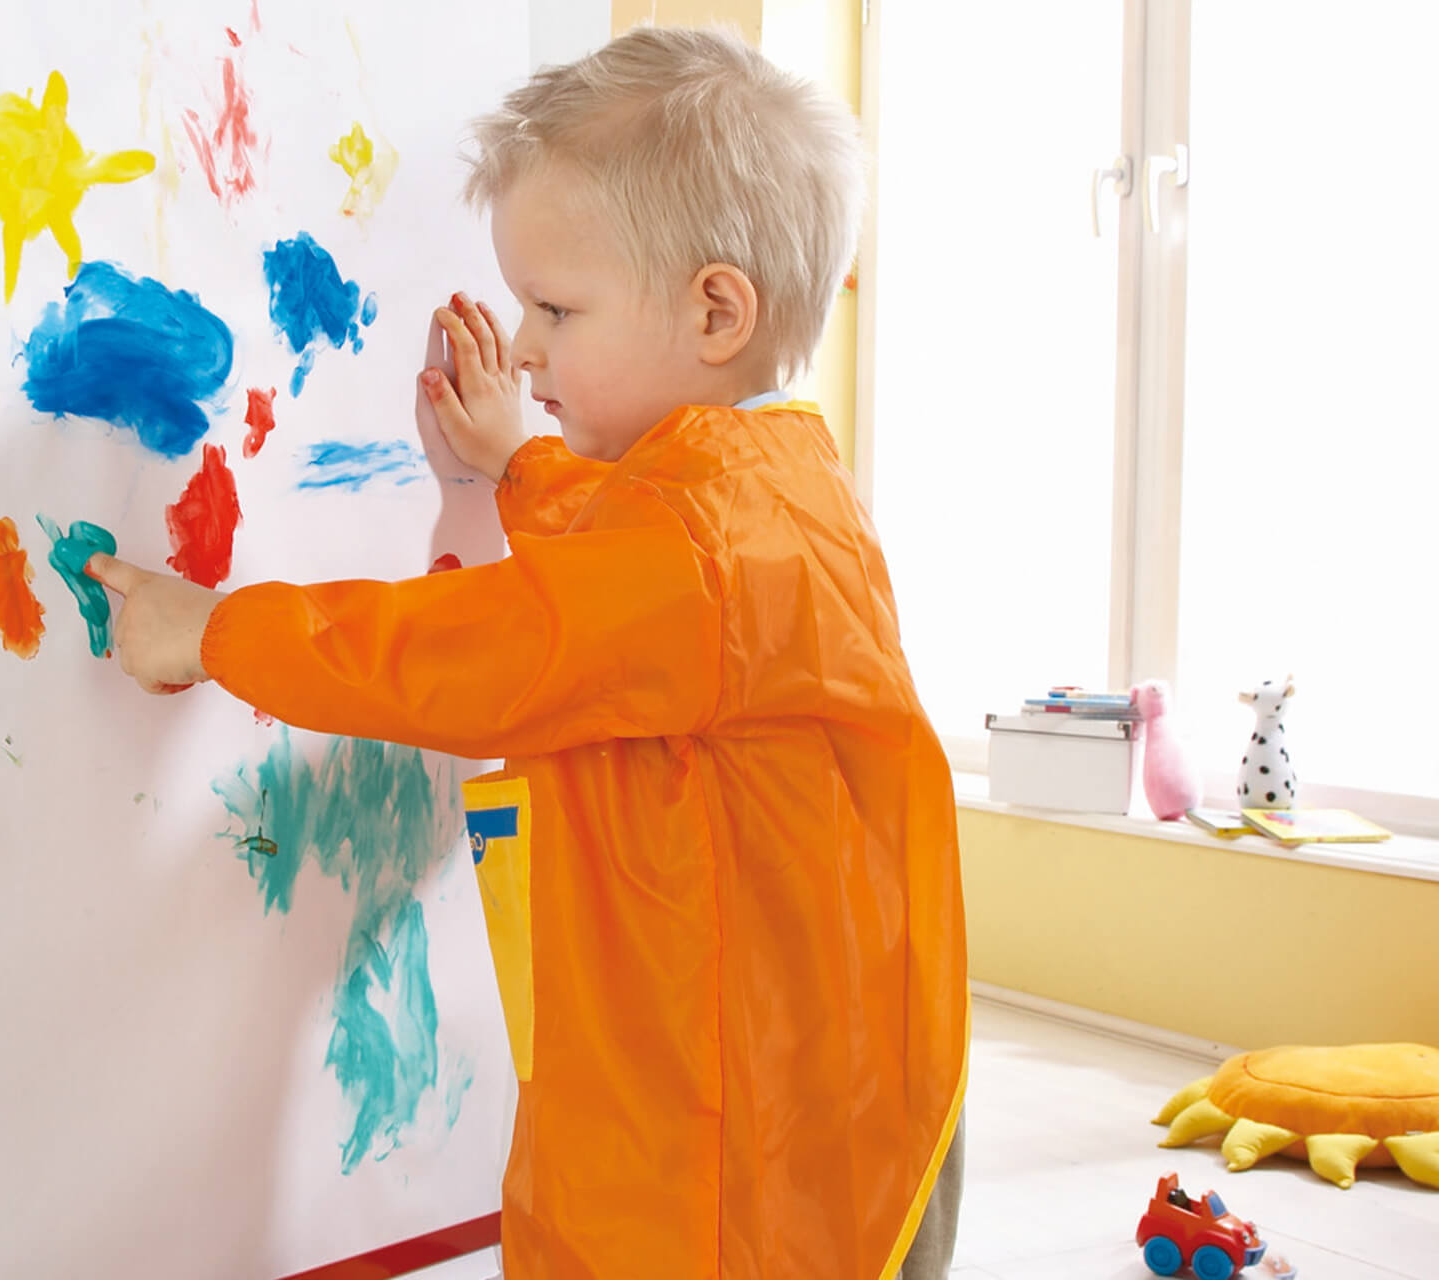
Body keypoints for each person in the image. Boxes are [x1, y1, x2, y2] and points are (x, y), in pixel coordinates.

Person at [87, 26, 967, 1279]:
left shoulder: (701, 549)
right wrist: (523, 462)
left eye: (556, 308)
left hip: (752, 1164)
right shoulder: (768, 488)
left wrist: (217, 628)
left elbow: (484, 649)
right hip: (821, 1088)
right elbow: (627, 580)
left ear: (716, 311)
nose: (527, 342)